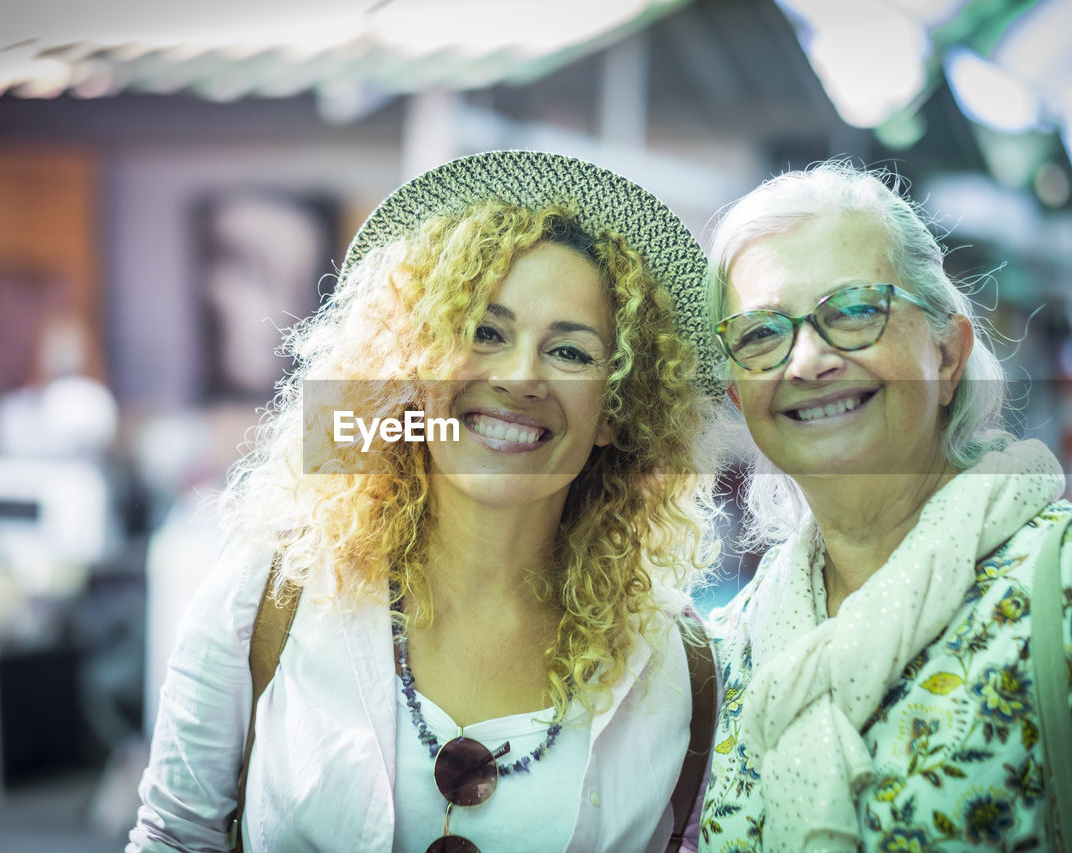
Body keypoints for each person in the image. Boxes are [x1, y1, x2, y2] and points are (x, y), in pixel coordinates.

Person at [128, 150, 723, 853]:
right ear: (412, 368)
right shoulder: (271, 587)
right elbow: (173, 836)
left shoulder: (676, 663)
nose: (520, 375)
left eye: (570, 352)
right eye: (485, 333)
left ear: (616, 410)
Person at [695, 161, 1072, 851]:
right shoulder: (729, 651)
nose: (807, 361)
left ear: (949, 351)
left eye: (855, 310)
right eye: (762, 334)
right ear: (738, 398)